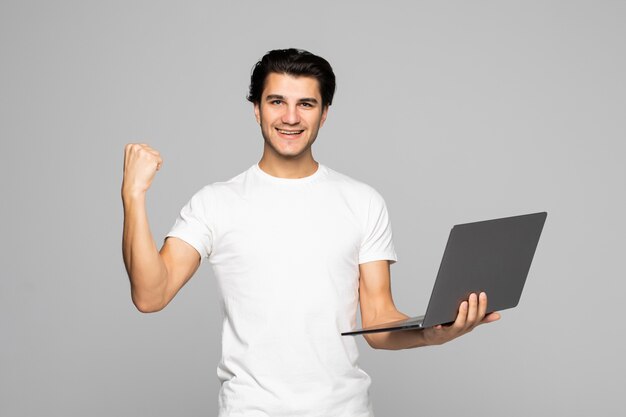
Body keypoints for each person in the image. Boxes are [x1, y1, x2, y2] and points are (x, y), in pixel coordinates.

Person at [121, 48, 500, 417]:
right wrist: (133, 195)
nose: (290, 117)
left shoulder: (363, 201)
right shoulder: (215, 203)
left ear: (324, 114)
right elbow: (151, 295)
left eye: (306, 104)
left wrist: (433, 333)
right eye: (276, 102)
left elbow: (378, 322)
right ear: (256, 110)